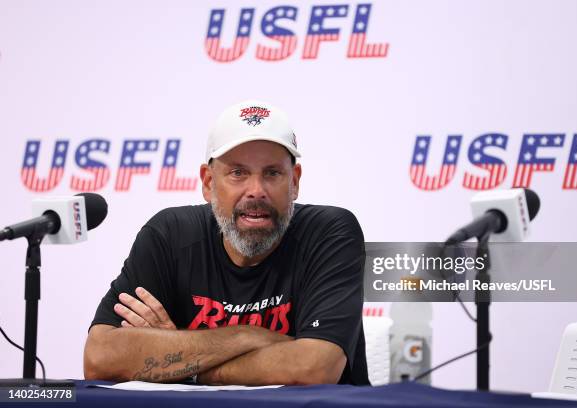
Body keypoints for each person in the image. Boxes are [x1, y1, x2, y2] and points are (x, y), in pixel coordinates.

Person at [84, 100, 369, 385]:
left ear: (294, 182)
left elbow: (314, 368)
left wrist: (183, 362)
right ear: (208, 183)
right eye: (238, 173)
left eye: (272, 173)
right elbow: (99, 359)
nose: (256, 191)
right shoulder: (169, 236)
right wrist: (247, 336)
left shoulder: (331, 233)